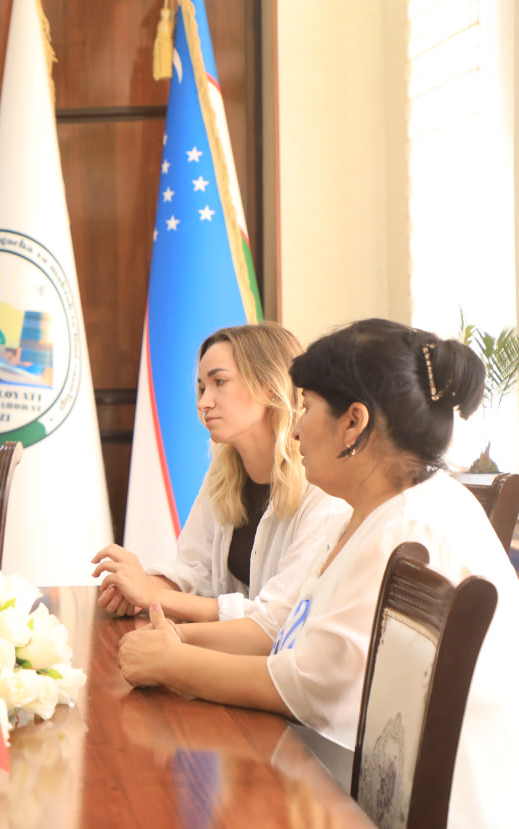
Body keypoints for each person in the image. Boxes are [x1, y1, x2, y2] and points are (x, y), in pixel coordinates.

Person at [117, 318, 519, 827]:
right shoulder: (369, 510)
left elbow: (311, 686)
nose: (295, 426)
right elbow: (284, 627)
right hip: (336, 778)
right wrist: (175, 642)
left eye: (306, 407)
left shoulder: (408, 527)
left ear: (353, 423)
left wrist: (175, 664)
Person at [94, 323, 349, 621]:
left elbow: (277, 618)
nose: (203, 402)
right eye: (203, 387)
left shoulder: (323, 487)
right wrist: (141, 589)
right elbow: (195, 570)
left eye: (220, 382)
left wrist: (154, 597)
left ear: (269, 385)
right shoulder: (225, 469)